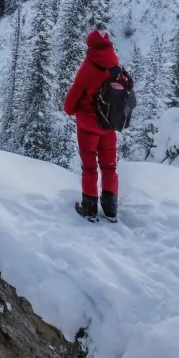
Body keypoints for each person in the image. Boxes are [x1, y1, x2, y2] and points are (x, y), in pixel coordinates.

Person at [63, 27, 131, 222]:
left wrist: (74, 110)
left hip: (88, 128)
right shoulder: (116, 66)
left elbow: (70, 103)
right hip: (109, 127)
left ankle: (90, 208)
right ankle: (111, 209)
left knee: (90, 167)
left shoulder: (88, 67)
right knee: (109, 167)